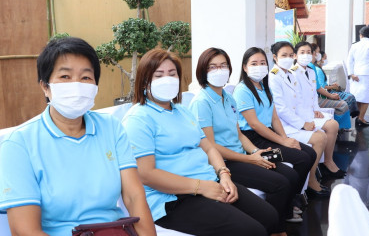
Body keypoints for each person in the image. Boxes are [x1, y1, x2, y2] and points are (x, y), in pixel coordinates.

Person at [0, 37, 156, 236]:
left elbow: (134, 196)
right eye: (65, 77)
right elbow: (25, 231)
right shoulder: (18, 144)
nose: (77, 85)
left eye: (86, 78)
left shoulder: (112, 128)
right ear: (45, 86)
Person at [122, 49, 278, 236]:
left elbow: (209, 148)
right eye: (159, 75)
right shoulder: (138, 118)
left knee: (270, 216)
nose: (167, 79)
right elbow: (146, 174)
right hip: (173, 199)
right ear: (145, 80)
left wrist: (224, 175)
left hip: (208, 182)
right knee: (252, 231)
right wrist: (200, 187)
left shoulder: (182, 111)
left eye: (172, 74)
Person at [189, 47, 301, 234]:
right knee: (280, 183)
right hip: (225, 162)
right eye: (213, 67)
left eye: (223, 65)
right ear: (203, 71)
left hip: (242, 155)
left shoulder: (228, 98)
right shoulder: (202, 102)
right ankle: (275, 229)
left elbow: (239, 134)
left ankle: (277, 223)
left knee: (291, 175)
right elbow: (210, 147)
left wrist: (255, 152)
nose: (219, 70)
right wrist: (251, 159)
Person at [232, 47, 317, 200]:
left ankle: (293, 196)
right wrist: (283, 141)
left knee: (310, 153)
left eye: (262, 63)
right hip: (254, 140)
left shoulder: (265, 87)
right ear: (245, 67)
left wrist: (287, 140)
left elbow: (275, 119)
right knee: (302, 158)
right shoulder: (242, 90)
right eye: (254, 63)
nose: (259, 67)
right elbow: (255, 125)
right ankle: (290, 201)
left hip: (268, 135)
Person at [268, 41, 331, 197]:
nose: (288, 58)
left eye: (290, 55)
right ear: (275, 57)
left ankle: (311, 178)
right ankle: (310, 181)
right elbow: (281, 109)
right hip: (284, 126)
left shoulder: (289, 74)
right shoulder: (273, 77)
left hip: (295, 121)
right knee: (320, 138)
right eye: (284, 55)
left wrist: (307, 121)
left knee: (322, 135)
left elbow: (298, 102)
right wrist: (302, 124)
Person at [291, 41, 345, 180]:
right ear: (295, 56)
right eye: (302, 52)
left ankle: (328, 160)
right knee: (331, 125)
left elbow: (314, 94)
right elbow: (295, 100)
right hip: (301, 116)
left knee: (333, 124)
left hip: (311, 111)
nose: (306, 55)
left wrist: (316, 109)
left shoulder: (310, 71)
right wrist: (306, 117)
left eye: (309, 52)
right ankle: (323, 165)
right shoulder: (292, 73)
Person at [309, 43, 351, 130]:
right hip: (314, 100)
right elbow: (320, 87)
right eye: (317, 52)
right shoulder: (311, 68)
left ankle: (337, 128)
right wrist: (331, 95)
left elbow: (318, 86)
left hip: (315, 99)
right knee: (343, 104)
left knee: (347, 98)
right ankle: (338, 128)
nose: (318, 54)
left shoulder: (312, 67)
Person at [347, 26, 369, 127]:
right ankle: (361, 118)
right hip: (368, 74)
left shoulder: (354, 45)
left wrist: (351, 74)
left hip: (356, 74)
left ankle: (359, 117)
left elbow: (349, 60)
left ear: (361, 35)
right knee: (366, 98)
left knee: (357, 97)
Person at [318, 48, 359, 118]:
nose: (326, 60)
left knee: (349, 96)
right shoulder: (318, 70)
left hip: (329, 91)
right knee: (349, 98)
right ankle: (350, 115)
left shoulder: (320, 69)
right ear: (320, 59)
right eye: (325, 58)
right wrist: (332, 87)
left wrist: (332, 86)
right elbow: (322, 86)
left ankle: (352, 114)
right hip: (326, 94)